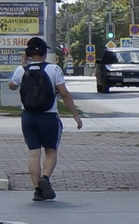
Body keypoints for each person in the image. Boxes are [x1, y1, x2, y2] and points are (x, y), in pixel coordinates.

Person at [9, 37, 83, 202]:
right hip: (48, 116)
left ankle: (37, 191)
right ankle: (45, 178)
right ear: (44, 52)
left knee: (33, 154)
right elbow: (64, 93)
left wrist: (23, 64)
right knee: (50, 151)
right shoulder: (54, 69)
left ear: (28, 53)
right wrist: (75, 115)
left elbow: (12, 86)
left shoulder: (21, 70)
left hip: (28, 116)